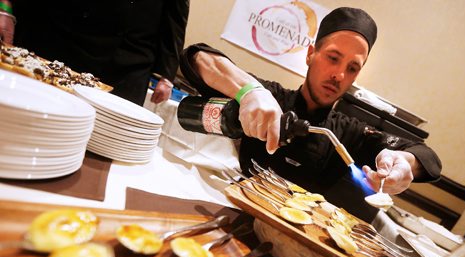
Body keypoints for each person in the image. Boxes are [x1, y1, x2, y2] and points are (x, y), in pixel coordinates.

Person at [179, 7, 441, 203]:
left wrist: (405, 162)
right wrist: (250, 91)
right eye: (333, 58)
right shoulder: (272, 97)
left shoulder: (348, 133)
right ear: (310, 54)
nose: (339, 74)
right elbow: (198, 57)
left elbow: (427, 156)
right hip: (232, 204)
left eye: (351, 68)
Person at [2, 0, 189, 106]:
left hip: (125, 62)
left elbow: (176, 9)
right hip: (50, 33)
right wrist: (5, 6)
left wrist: (167, 73)